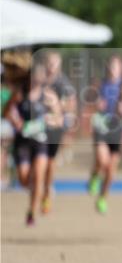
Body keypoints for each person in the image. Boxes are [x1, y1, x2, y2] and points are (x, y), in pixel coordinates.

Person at [3, 62, 63, 225]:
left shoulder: (49, 95)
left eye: (40, 76)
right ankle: (40, 193)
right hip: (22, 142)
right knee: (24, 179)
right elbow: (6, 112)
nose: (37, 80)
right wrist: (16, 122)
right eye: (34, 76)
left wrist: (51, 120)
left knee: (38, 176)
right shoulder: (20, 94)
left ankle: (32, 211)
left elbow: (59, 119)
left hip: (41, 141)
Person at [87, 54, 122, 214]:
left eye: (116, 66)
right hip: (102, 128)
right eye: (111, 66)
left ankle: (102, 197)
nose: (113, 69)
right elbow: (90, 103)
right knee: (102, 161)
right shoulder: (99, 85)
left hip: (117, 130)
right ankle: (95, 175)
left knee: (111, 170)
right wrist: (96, 104)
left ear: (121, 69)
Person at [40, 51, 76, 215]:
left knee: (49, 163)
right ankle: (41, 189)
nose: (51, 66)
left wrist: (57, 107)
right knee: (39, 162)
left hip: (54, 127)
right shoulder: (39, 81)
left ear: (59, 65)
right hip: (38, 127)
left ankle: (47, 192)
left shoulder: (63, 83)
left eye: (55, 63)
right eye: (49, 62)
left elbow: (71, 105)